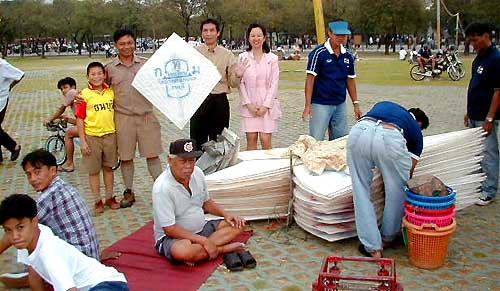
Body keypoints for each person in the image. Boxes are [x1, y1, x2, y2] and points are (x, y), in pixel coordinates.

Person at [0, 149, 102, 289]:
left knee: (26, 230)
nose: (33, 179)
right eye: (29, 175)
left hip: (79, 262)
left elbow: (15, 224)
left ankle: (34, 277)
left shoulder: (49, 196)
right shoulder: (63, 187)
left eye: (37, 172)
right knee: (24, 229)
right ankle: (35, 276)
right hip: (91, 257)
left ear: (53, 170)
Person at [347, 101, 429, 258]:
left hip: (359, 131)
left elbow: (373, 138)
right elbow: (408, 174)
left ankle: (373, 248)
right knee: (397, 190)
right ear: (419, 123)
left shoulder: (385, 105)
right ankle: (388, 237)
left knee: (361, 190)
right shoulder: (416, 133)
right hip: (391, 137)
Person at [0, 194, 129, 291]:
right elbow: (34, 275)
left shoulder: (49, 253)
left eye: (20, 227)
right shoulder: (29, 237)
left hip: (109, 284)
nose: (14, 236)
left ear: (34, 222)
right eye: (8, 230)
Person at [152, 139, 246, 264]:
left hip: (202, 228)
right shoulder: (162, 187)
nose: (188, 166)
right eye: (182, 161)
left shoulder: (197, 173)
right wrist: (204, 241)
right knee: (183, 252)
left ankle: (205, 249)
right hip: (174, 237)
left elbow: (206, 202)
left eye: (191, 161)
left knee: (237, 224)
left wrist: (226, 215)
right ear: (170, 160)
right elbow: (170, 229)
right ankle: (222, 248)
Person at [105, 28, 163, 208]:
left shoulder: (147, 65)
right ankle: (129, 191)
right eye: (122, 44)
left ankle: (162, 191)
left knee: (152, 155)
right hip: (123, 118)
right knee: (126, 157)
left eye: (129, 43)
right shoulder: (109, 69)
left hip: (146, 117)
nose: (126, 47)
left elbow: (159, 88)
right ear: (116, 46)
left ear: (135, 43)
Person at [302, 20, 362, 141]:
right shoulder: (318, 53)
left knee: (339, 141)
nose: (341, 38)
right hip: (320, 104)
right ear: (329, 33)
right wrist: (308, 105)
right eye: (337, 35)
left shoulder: (348, 56)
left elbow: (350, 80)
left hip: (340, 104)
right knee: (316, 140)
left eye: (343, 36)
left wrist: (356, 104)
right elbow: (310, 80)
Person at [191, 18, 246, 149]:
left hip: (219, 103)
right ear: (201, 33)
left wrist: (238, 75)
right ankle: (198, 169)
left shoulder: (227, 55)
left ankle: (219, 169)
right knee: (197, 141)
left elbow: (232, 83)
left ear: (218, 33)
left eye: (211, 30)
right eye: (205, 30)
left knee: (219, 143)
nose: (208, 33)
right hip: (198, 101)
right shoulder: (193, 53)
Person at [463, 23, 500, 206]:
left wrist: (490, 118)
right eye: (470, 40)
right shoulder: (479, 58)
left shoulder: (496, 59)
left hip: (486, 116)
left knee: (489, 152)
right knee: (476, 152)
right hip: (474, 113)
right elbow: (474, 86)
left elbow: (498, 91)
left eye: (475, 40)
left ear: (487, 36)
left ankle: (489, 190)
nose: (473, 44)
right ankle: (479, 184)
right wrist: (468, 111)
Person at [76, 62, 120, 214]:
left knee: (109, 168)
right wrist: (82, 141)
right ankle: (97, 200)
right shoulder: (84, 95)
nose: (97, 77)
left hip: (110, 135)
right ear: (88, 76)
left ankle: (109, 197)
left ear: (105, 75)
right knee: (94, 171)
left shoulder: (111, 92)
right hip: (92, 137)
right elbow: (80, 119)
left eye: (99, 73)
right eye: (93, 74)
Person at [239, 23, 281, 150]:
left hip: (266, 105)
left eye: (258, 36)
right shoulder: (243, 57)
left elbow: (274, 83)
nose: (255, 39)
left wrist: (265, 106)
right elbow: (240, 83)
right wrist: (248, 104)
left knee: (265, 140)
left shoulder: (272, 58)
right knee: (251, 140)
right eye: (252, 36)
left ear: (264, 38)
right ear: (248, 38)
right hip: (249, 104)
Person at [43, 77, 79, 172]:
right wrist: (67, 119)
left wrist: (49, 119)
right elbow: (80, 121)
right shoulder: (78, 95)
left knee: (68, 134)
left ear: (73, 87)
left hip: (89, 126)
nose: (63, 91)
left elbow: (61, 109)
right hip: (91, 123)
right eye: (61, 89)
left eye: (65, 87)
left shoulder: (72, 93)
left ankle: (70, 164)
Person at [0, 58, 24, 163]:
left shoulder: (2, 64)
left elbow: (20, 74)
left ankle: (14, 146)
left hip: (1, 99)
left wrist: (10, 86)